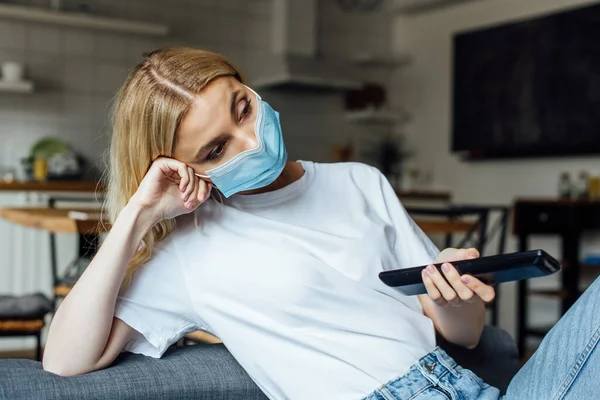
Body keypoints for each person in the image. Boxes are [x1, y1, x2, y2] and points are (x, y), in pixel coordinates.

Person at [42, 48, 600, 400]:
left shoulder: (360, 181)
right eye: (215, 149)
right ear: (180, 169)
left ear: (250, 88)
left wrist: (453, 299)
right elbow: (64, 361)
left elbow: (466, 334)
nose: (251, 140)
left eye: (242, 108)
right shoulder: (189, 248)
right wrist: (137, 214)